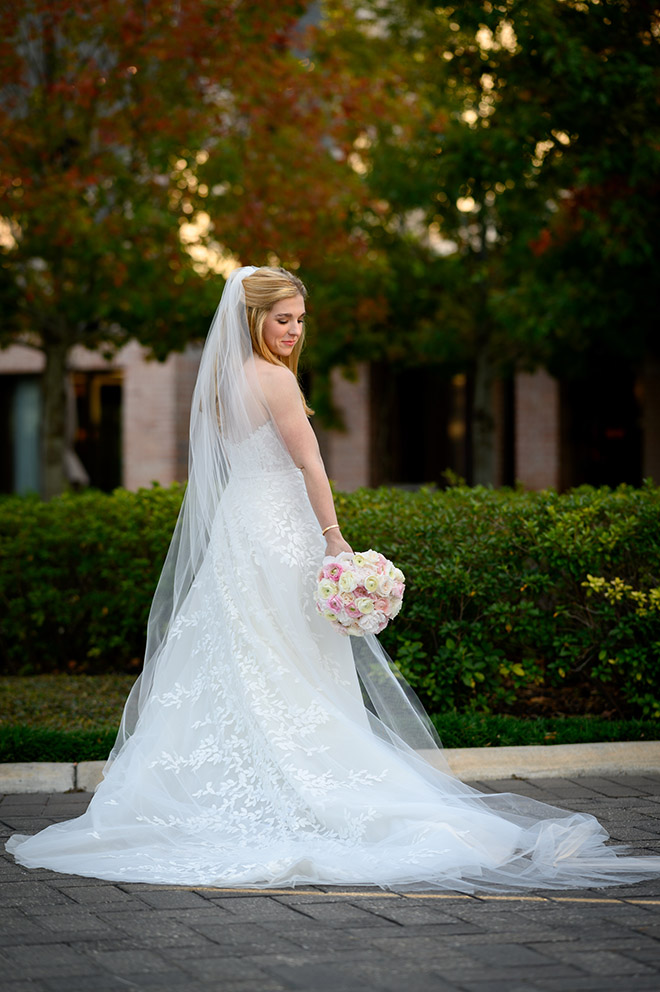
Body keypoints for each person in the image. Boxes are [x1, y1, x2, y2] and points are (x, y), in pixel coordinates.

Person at [7, 266, 660, 891]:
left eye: (300, 320)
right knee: (294, 662)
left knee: (244, 660)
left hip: (240, 533)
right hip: (283, 532)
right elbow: (312, 466)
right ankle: (302, 789)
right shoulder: (275, 381)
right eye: (283, 319)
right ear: (254, 317)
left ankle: (240, 786)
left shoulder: (222, 379)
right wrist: (334, 541)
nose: (294, 331)